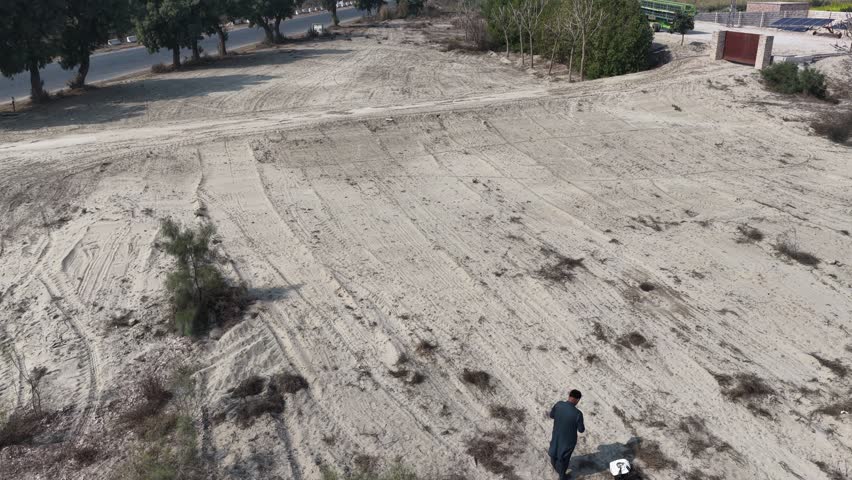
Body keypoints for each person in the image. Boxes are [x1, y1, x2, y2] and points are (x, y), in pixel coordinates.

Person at [548, 389, 585, 480]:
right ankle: (562, 476)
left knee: (554, 453)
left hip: (556, 435)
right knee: (564, 458)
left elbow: (551, 415)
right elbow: (581, 430)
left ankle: (556, 468)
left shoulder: (558, 404)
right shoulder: (578, 414)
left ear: (569, 396)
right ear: (577, 400)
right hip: (569, 441)